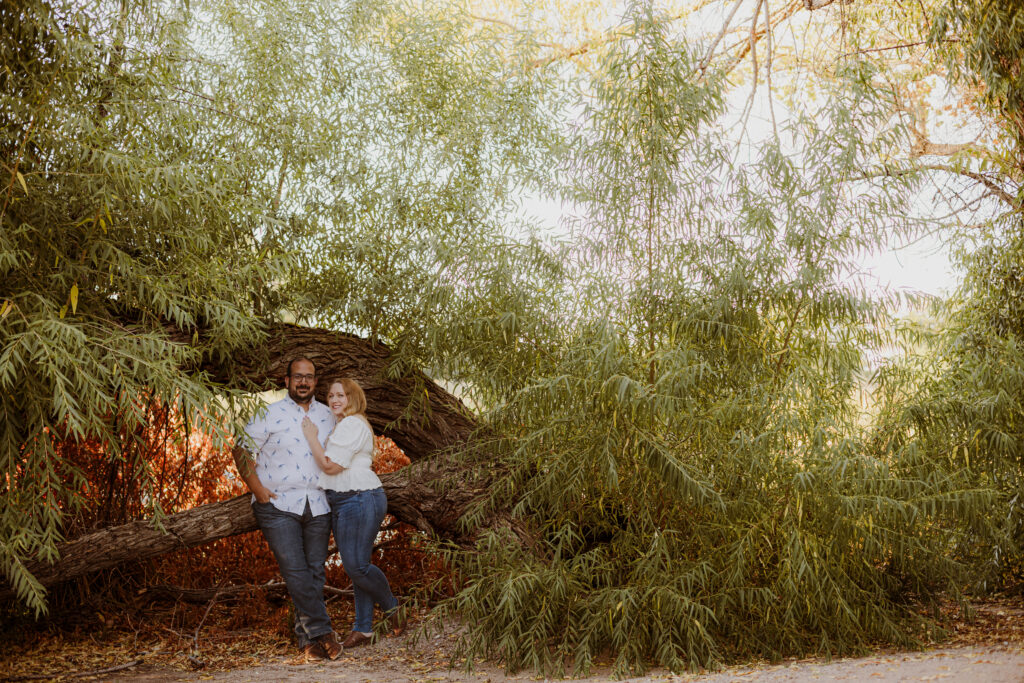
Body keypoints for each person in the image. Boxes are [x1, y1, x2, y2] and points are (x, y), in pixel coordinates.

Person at [232, 357, 343, 660]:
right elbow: (240, 448)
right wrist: (257, 490)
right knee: (295, 571)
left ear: (316, 382)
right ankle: (322, 631)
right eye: (298, 377)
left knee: (314, 574)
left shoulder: (328, 415)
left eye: (309, 377)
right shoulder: (268, 413)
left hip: (319, 504)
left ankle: (307, 643)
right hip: (278, 505)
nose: (303, 382)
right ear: (287, 381)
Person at [301, 378, 405, 649]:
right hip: (347, 499)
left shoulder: (352, 424)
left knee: (356, 566)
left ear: (353, 398)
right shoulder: (345, 425)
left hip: (358, 498)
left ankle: (393, 608)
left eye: (342, 395)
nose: (335, 400)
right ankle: (363, 629)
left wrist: (312, 438)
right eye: (332, 395)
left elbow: (331, 466)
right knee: (358, 566)